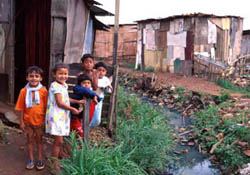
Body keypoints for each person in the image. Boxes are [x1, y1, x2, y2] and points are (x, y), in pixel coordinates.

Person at [45, 63, 82, 171]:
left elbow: (65, 98)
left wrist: (77, 101)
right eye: (60, 73)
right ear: (54, 74)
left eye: (65, 74)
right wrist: (73, 109)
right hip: (56, 116)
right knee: (59, 142)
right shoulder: (55, 86)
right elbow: (60, 103)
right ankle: (54, 165)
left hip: (62, 116)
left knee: (60, 140)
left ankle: (58, 158)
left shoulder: (63, 85)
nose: (63, 76)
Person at [15, 66, 48, 170]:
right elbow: (20, 108)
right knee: (29, 141)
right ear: (27, 78)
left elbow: (47, 107)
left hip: (40, 122)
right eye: (31, 76)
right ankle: (30, 159)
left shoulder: (44, 91)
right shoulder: (23, 91)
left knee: (39, 141)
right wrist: (21, 122)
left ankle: (40, 159)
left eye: (36, 76)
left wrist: (45, 121)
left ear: (41, 78)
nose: (34, 78)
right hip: (27, 121)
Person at [70, 73, 102, 138]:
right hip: (73, 114)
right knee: (77, 131)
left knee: (79, 129)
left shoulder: (87, 91)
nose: (86, 84)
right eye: (84, 82)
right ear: (80, 84)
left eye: (89, 83)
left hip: (79, 114)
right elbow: (86, 90)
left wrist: (94, 96)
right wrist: (96, 96)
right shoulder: (77, 88)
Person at [90, 62, 112, 127]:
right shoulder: (92, 77)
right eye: (99, 70)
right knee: (89, 115)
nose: (101, 72)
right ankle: (86, 129)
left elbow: (110, 90)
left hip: (99, 100)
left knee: (97, 120)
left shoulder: (106, 79)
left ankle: (89, 127)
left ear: (105, 72)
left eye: (103, 71)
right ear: (95, 70)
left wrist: (107, 88)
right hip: (91, 99)